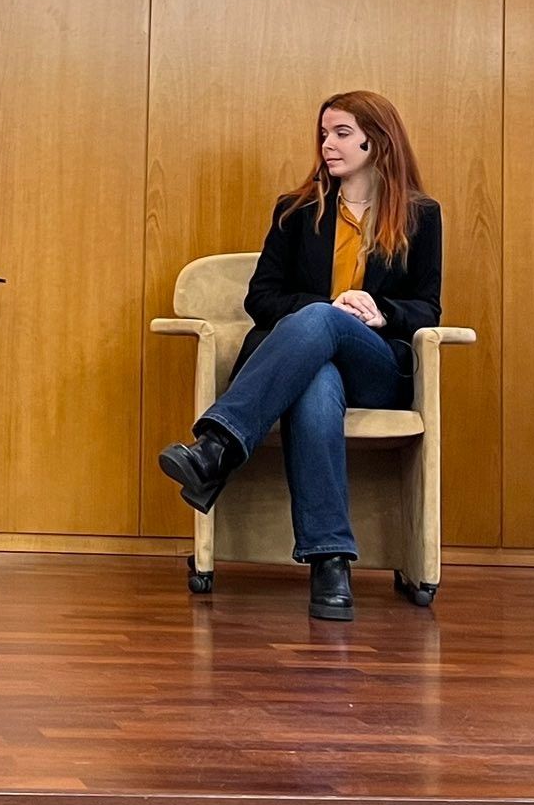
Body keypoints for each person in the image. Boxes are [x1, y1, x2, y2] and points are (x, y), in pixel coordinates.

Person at [158, 91, 443, 621]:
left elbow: (427, 306)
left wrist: (379, 313)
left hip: (376, 363)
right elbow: (261, 297)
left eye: (339, 133)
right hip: (307, 365)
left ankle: (217, 447)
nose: (327, 144)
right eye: (323, 133)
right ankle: (330, 563)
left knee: (321, 325)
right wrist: (329, 308)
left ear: (374, 139)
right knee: (316, 380)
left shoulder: (421, 215)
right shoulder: (297, 210)